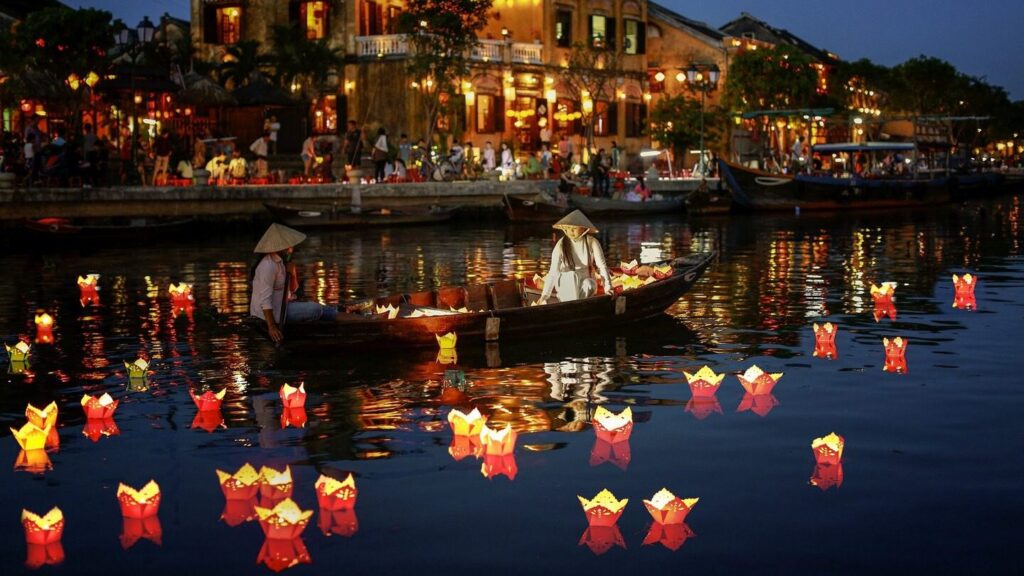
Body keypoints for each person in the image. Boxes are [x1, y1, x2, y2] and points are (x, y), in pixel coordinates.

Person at [250, 223, 342, 344]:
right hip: (271, 314)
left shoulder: (283, 262)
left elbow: (292, 289)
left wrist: (292, 272)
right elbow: (265, 301)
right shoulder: (268, 266)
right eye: (289, 246)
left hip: (284, 305)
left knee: (328, 311)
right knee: (315, 309)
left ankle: (362, 318)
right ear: (281, 247)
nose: (292, 248)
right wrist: (271, 327)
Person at [536, 210, 612, 305]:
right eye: (568, 227)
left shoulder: (592, 242)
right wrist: (545, 295)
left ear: (584, 228)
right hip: (565, 284)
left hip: (585, 283)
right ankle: (573, 307)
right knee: (572, 275)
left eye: (574, 228)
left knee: (590, 284)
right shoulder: (560, 244)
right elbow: (553, 272)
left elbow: (602, 266)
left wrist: (608, 288)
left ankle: (576, 307)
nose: (571, 231)